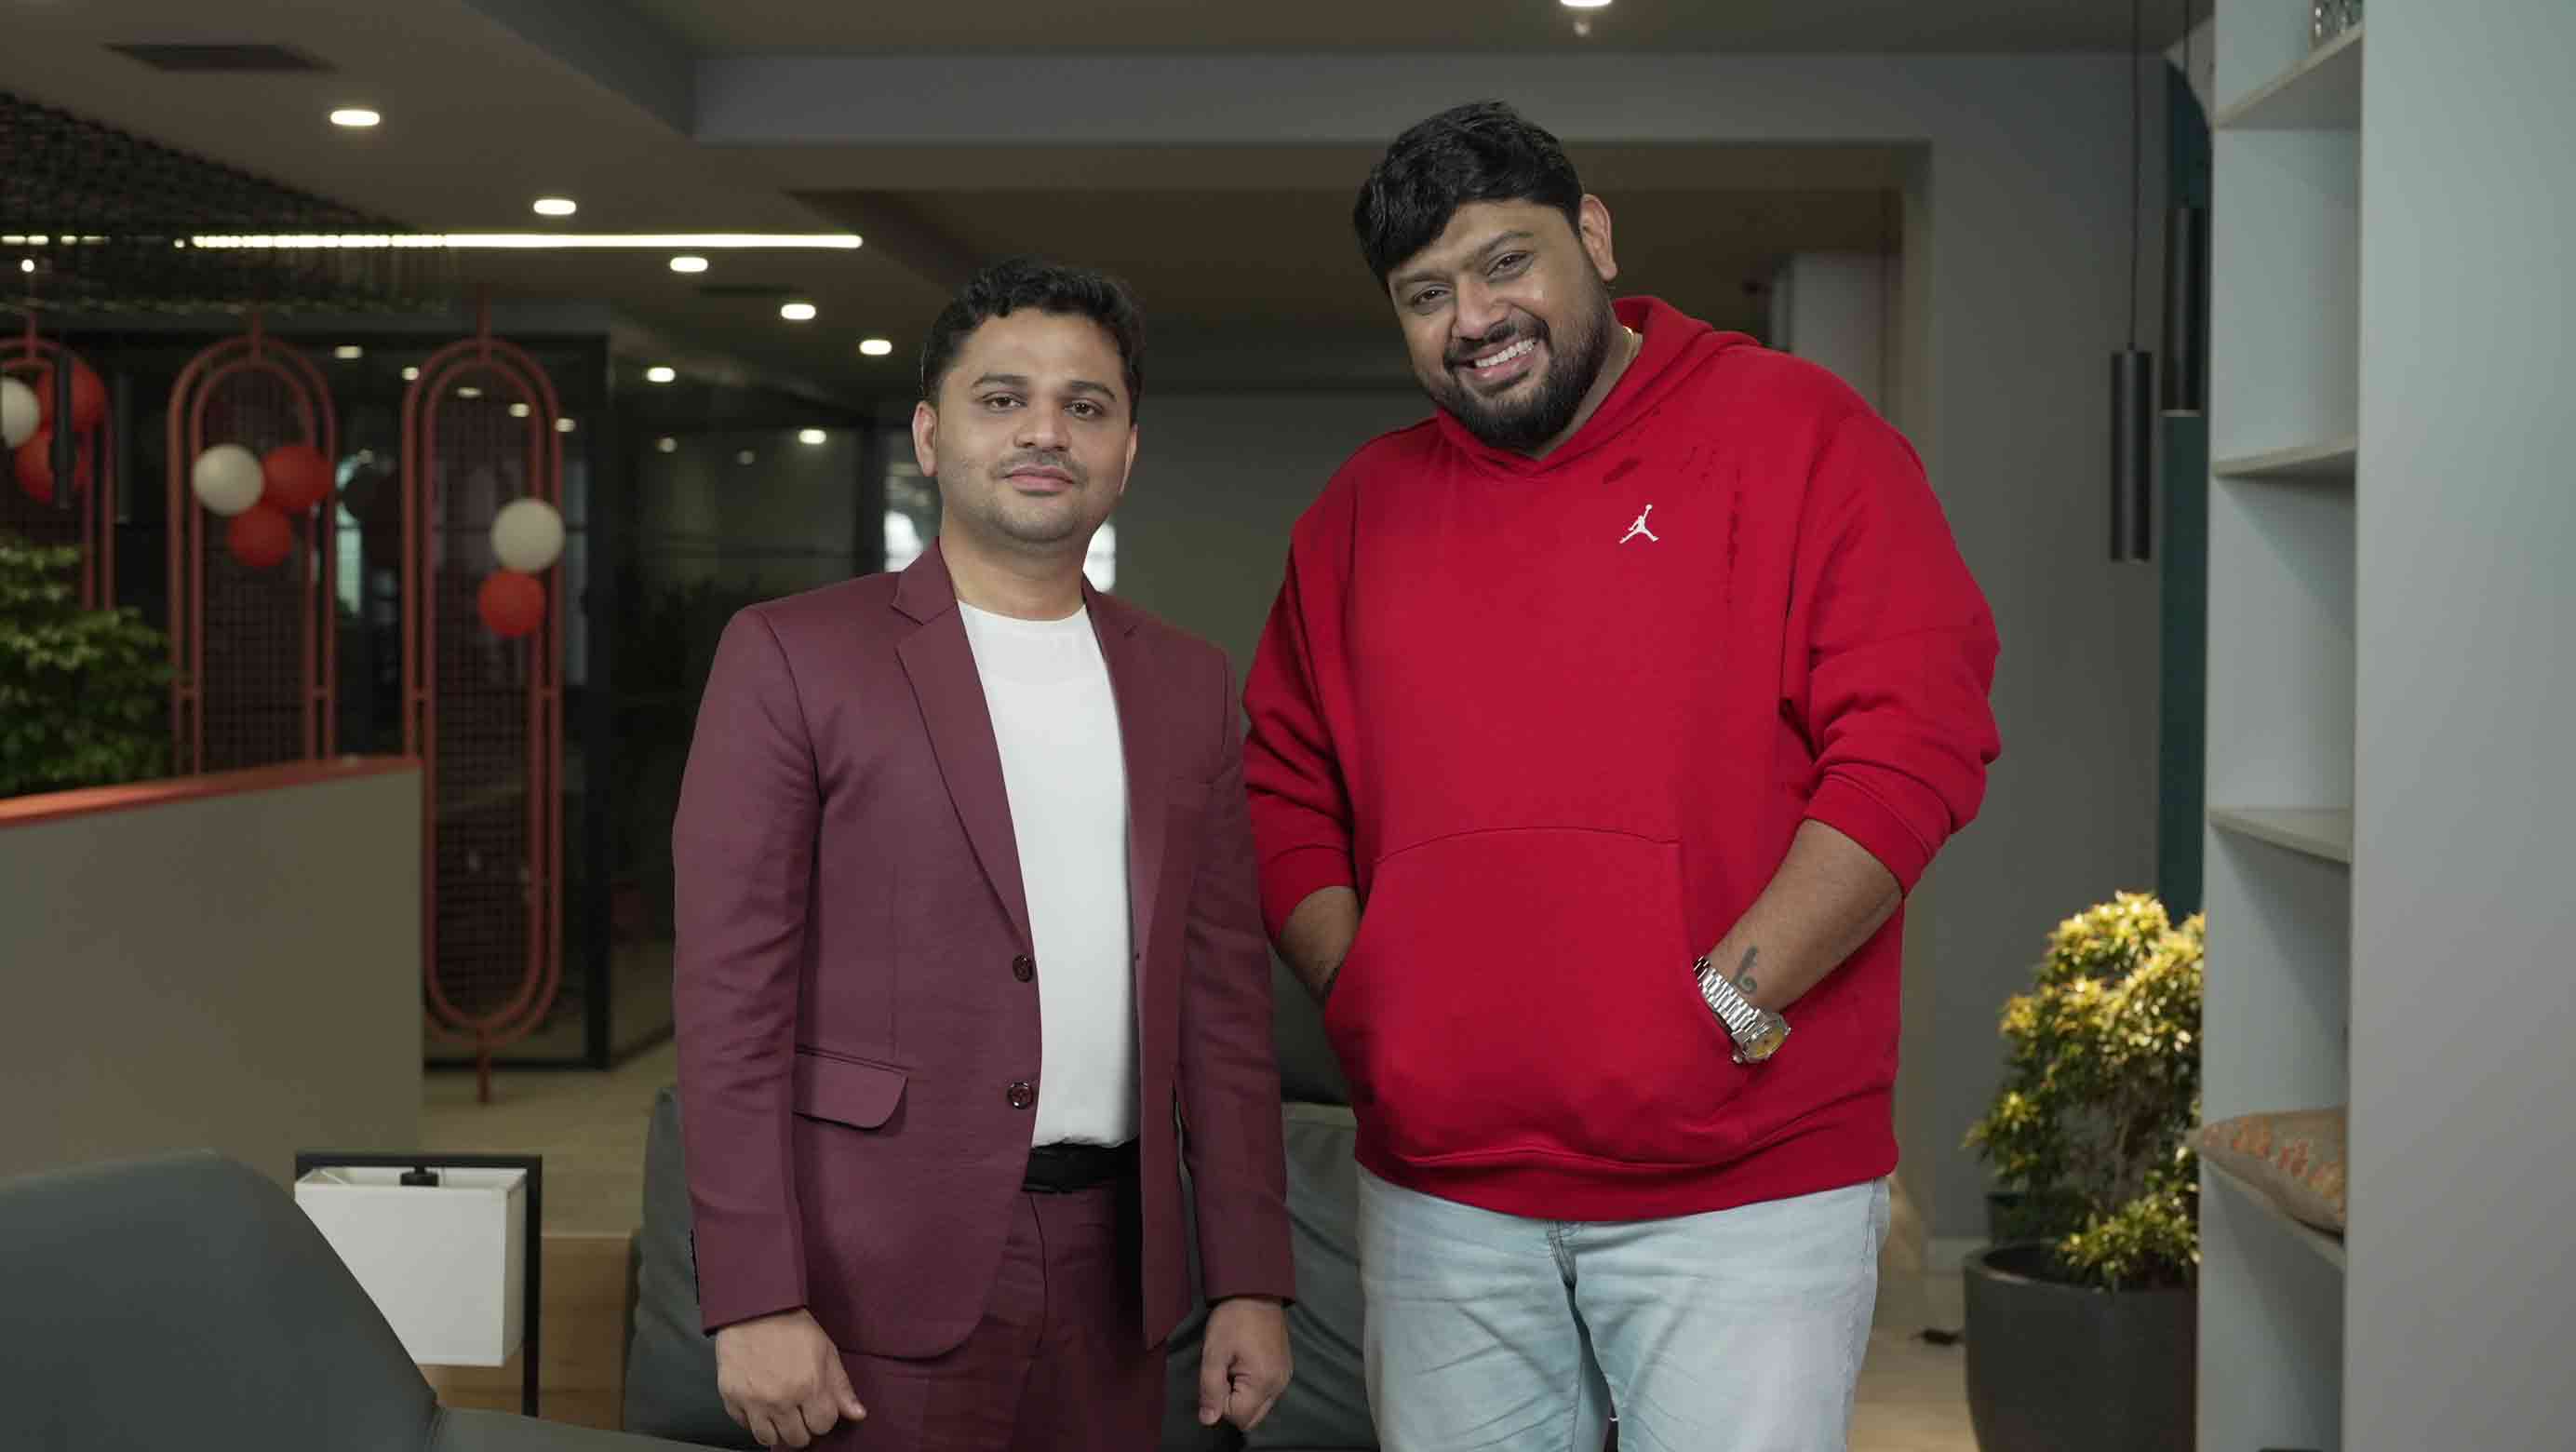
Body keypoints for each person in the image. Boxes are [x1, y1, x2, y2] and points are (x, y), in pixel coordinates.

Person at [1241, 101, 2004, 1450]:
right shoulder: (1358, 512)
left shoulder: (1799, 434)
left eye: (1505, 263)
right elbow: (1281, 785)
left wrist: (1728, 997)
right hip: (1441, 1197)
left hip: (1742, 1191)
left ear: (1591, 236)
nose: (1474, 318)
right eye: (1426, 294)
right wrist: (1368, 996)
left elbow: (1913, 744)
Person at [673, 257, 1296, 1451]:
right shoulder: (792, 655)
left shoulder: (1187, 681)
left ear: (1126, 451)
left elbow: (1224, 1007)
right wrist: (752, 1293)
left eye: (1084, 405)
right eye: (1002, 399)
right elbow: (727, 1000)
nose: (1044, 431)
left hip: (1120, 1266)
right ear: (929, 433)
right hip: (872, 1263)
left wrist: (1250, 1276)